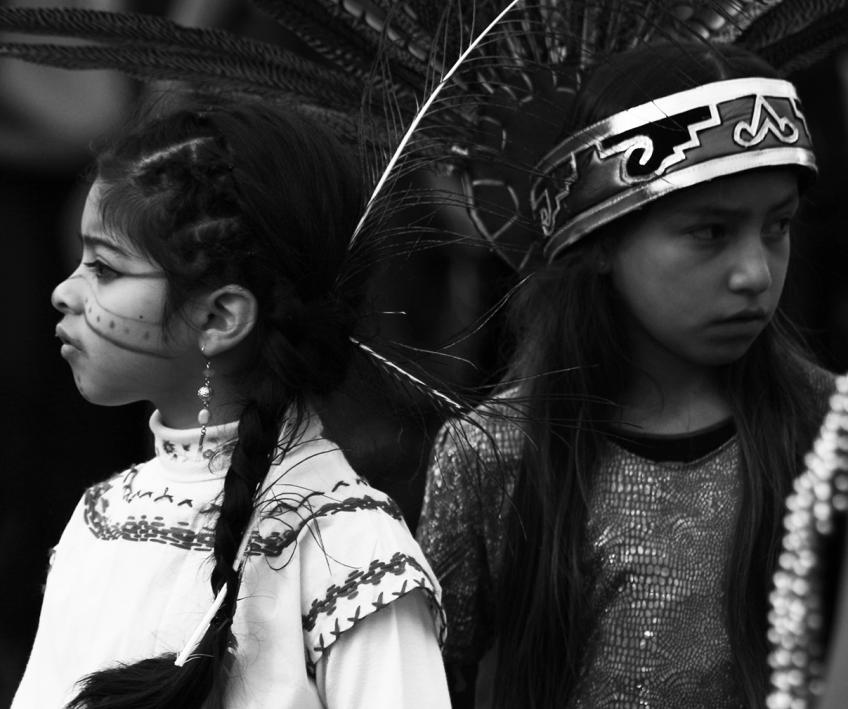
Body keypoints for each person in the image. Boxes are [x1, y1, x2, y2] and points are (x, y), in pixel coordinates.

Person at [417, 41, 835, 708]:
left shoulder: (830, 435)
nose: (754, 273)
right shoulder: (493, 456)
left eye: (777, 227)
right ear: (604, 240)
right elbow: (422, 685)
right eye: (709, 232)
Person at [12, 95, 450, 709]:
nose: (64, 291)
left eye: (105, 269)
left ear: (220, 316)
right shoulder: (100, 519)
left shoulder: (350, 548)